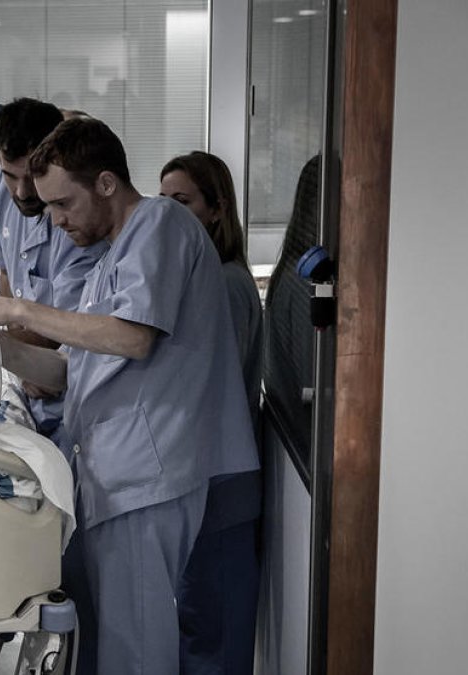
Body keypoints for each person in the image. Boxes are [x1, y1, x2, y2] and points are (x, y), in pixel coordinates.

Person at [0, 118, 259, 674]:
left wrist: (15, 309)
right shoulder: (113, 255)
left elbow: (132, 338)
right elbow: (72, 371)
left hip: (148, 475)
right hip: (117, 473)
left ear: (106, 183)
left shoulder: (161, 222)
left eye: (64, 204)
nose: (57, 222)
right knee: (115, 638)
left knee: (137, 648)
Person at [160, 151, 262, 675]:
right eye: (162, 202)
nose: (168, 215)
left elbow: (206, 387)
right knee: (199, 624)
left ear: (216, 210)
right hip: (205, 481)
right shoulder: (204, 279)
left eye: (182, 202)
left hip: (221, 483)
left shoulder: (225, 284)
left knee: (213, 639)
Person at [0, 97, 106, 453]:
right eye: (11, 175)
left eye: (31, 177)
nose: (22, 192)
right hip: (29, 387)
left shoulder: (78, 225)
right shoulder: (2, 189)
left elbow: (66, 327)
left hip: (66, 399)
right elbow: (6, 272)